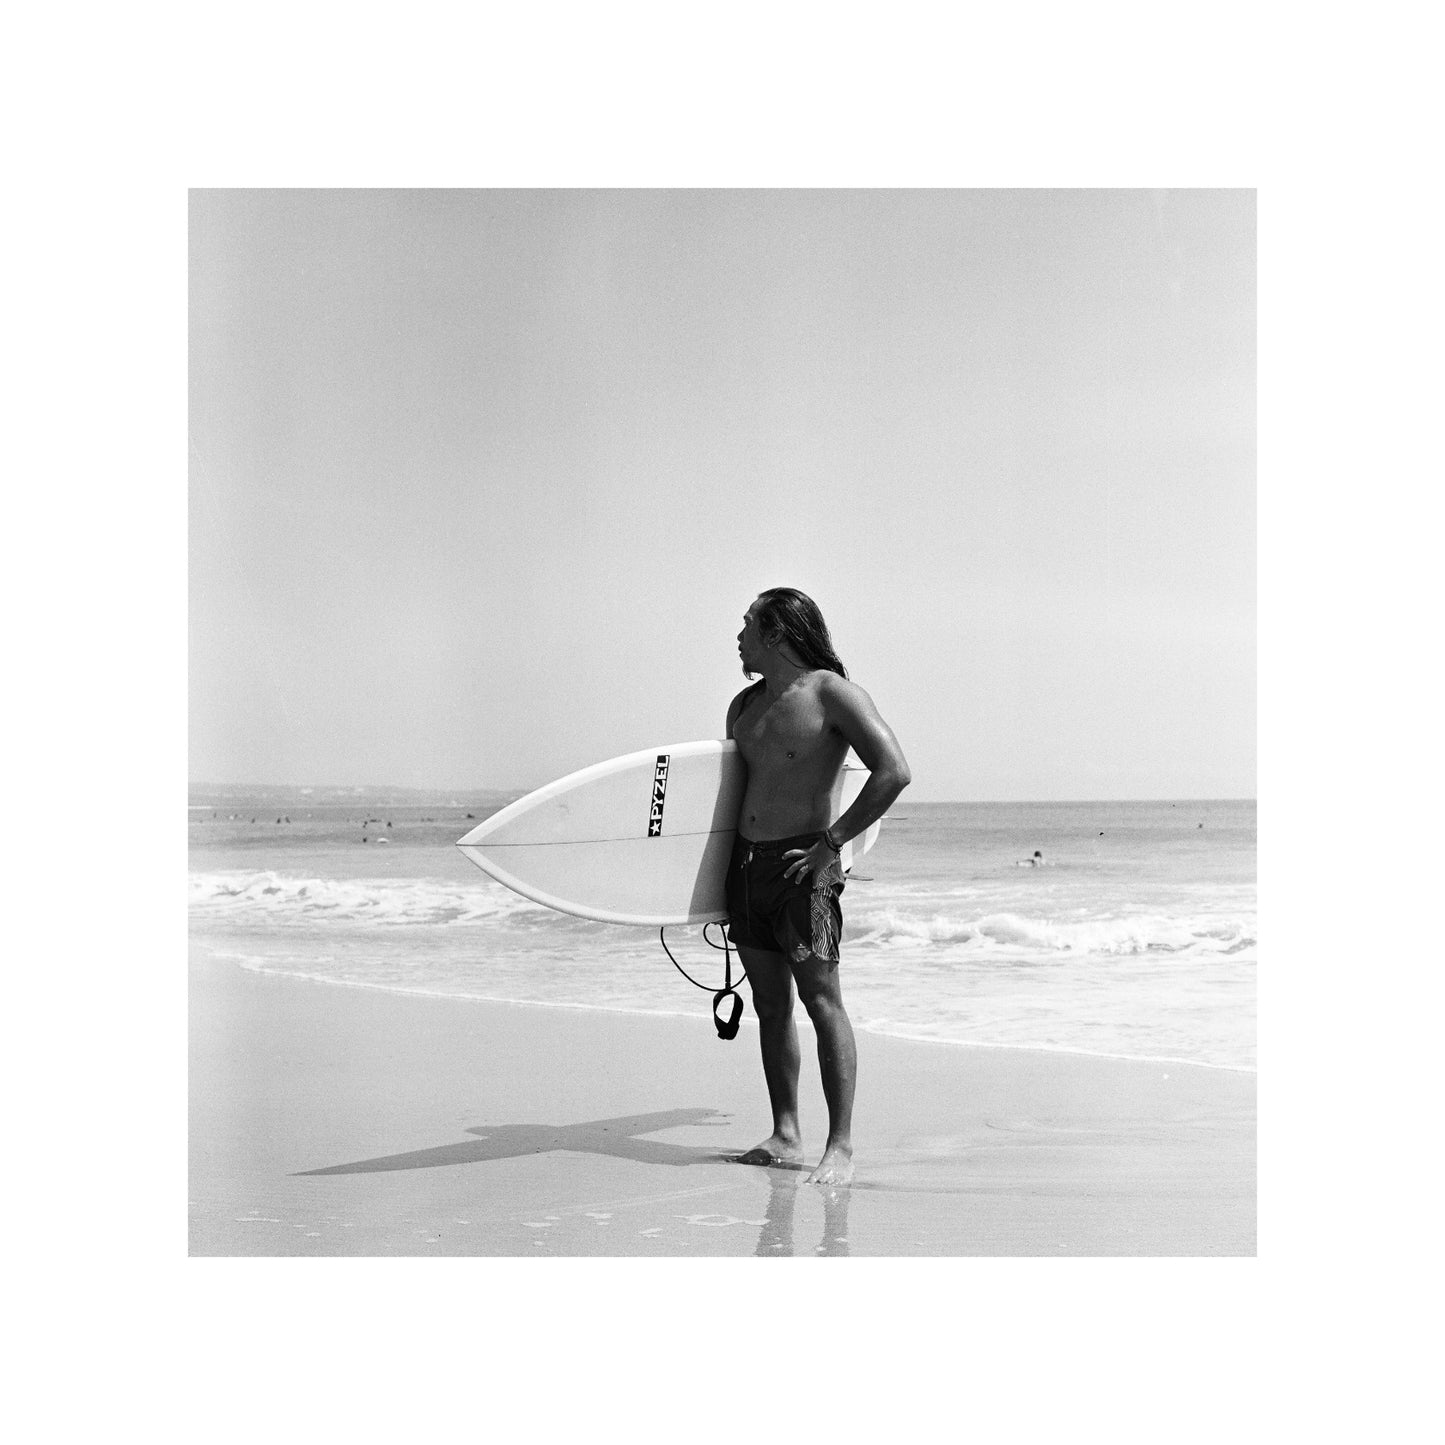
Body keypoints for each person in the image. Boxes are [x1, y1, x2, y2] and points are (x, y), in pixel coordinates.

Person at [726, 588, 911, 1185]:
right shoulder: (743, 706)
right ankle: (786, 1134)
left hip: (804, 871)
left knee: (822, 1001)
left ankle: (842, 1146)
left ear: (778, 632)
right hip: (748, 869)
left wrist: (833, 843)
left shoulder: (833, 694)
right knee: (770, 1004)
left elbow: (894, 771)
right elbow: (726, 799)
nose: (740, 634)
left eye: (750, 623)